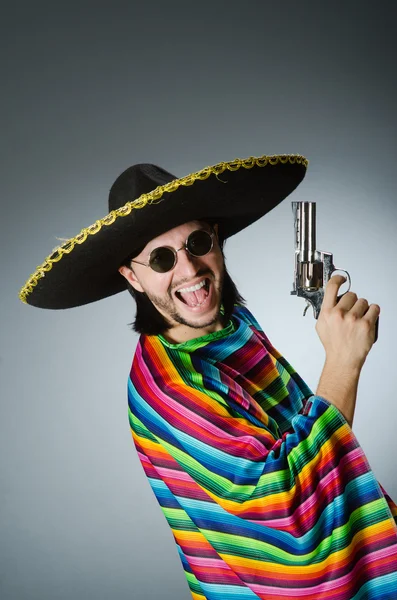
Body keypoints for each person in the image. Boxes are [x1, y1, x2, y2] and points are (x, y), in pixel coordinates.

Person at [19, 155, 397, 599]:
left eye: (196, 243)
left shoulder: (230, 320)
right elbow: (289, 511)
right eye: (160, 259)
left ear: (216, 240)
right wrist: (343, 361)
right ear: (132, 278)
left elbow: (295, 435)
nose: (190, 270)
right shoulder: (171, 391)